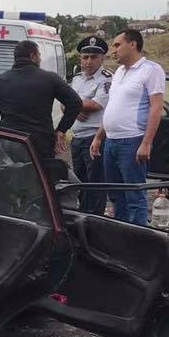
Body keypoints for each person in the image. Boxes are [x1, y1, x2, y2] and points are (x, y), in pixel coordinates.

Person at [89, 29, 166, 225]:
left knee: (134, 196)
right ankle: (120, 233)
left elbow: (156, 108)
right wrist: (99, 136)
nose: (113, 50)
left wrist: (146, 143)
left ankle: (137, 236)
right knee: (116, 195)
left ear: (133, 44)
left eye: (117, 45)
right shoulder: (119, 72)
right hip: (111, 141)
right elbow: (112, 107)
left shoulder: (151, 70)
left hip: (132, 140)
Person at [0, 40, 81, 158]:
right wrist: (61, 130)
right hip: (41, 144)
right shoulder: (50, 79)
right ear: (32, 56)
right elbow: (75, 102)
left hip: (10, 142)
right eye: (39, 56)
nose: (40, 59)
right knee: (42, 171)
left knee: (12, 171)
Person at [68, 36, 111, 213]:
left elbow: (96, 104)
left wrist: (73, 105)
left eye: (94, 57)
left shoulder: (106, 79)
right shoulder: (77, 78)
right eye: (85, 57)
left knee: (95, 185)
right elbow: (64, 102)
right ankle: (83, 217)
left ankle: (94, 219)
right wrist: (76, 108)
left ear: (102, 58)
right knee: (79, 183)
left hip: (95, 139)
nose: (89, 61)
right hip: (77, 139)